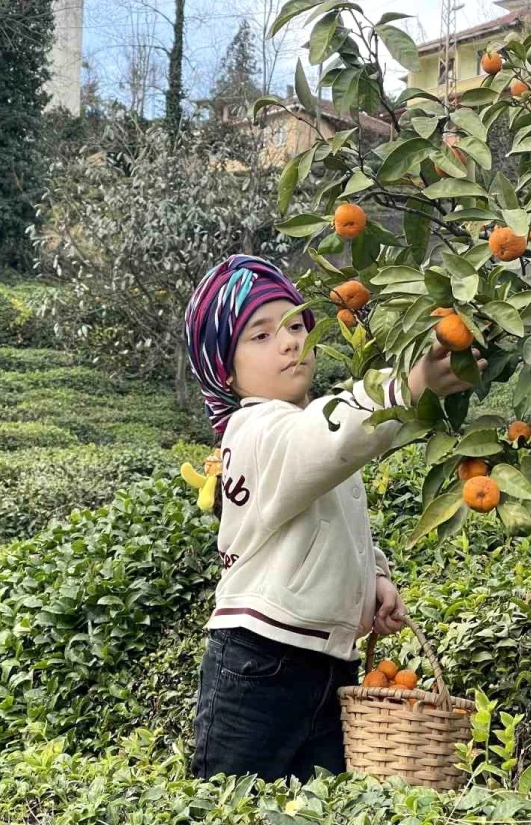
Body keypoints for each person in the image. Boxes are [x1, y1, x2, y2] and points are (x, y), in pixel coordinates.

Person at [183, 254, 486, 783]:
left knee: (317, 824)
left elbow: (335, 519)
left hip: (328, 662)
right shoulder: (254, 430)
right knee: (226, 814)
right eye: (260, 335)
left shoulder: (306, 424)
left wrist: (373, 575)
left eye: (297, 325)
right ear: (225, 369)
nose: (289, 341)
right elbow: (331, 440)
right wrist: (409, 384)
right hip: (260, 661)